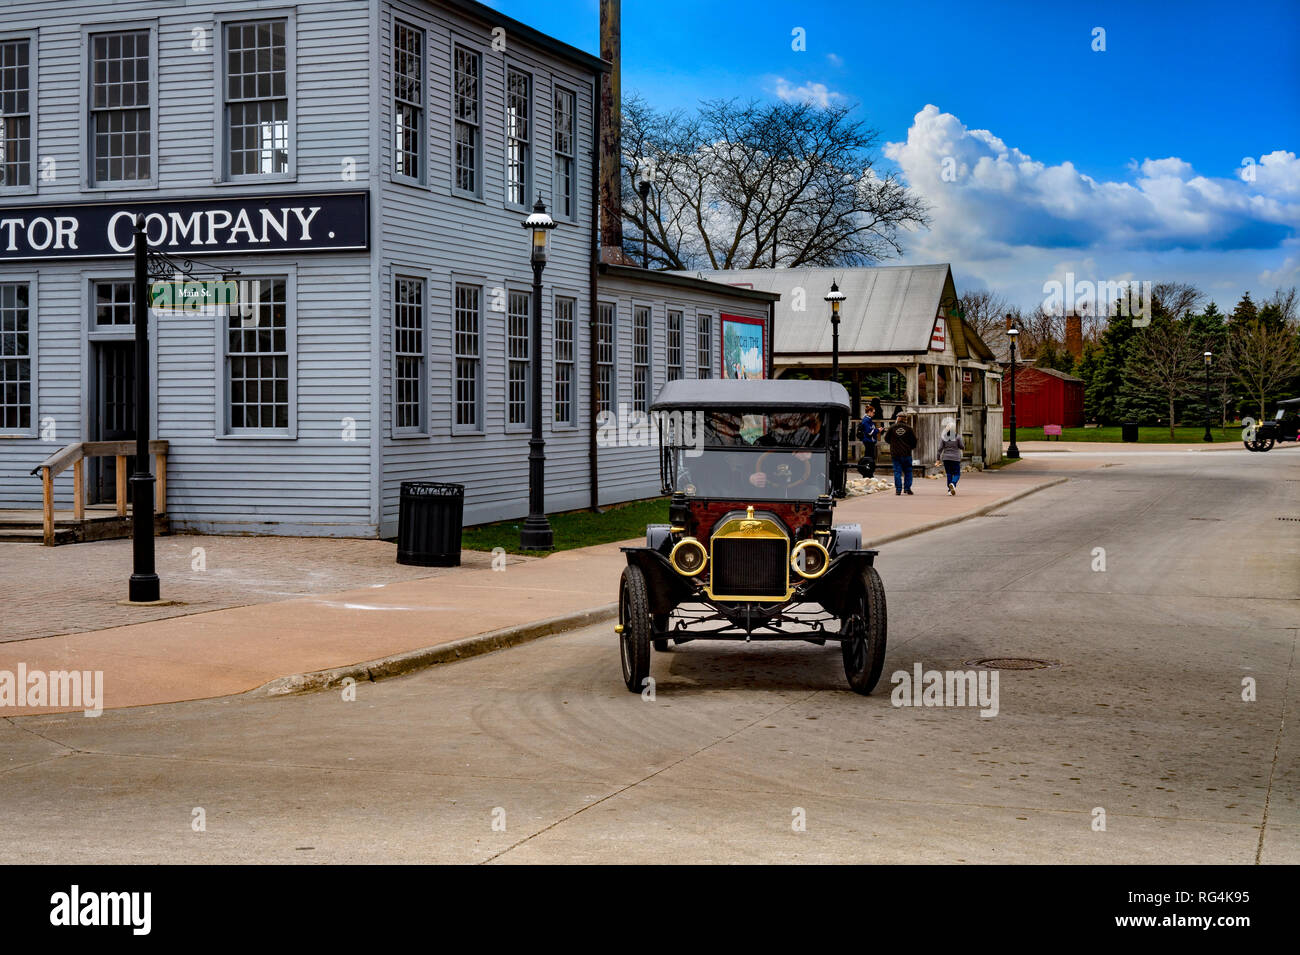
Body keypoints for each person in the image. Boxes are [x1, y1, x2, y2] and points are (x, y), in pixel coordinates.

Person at [886, 414, 917, 495]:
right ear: (905, 419)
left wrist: (893, 444)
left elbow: (886, 439)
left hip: (895, 453)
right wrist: (911, 447)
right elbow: (914, 440)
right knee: (908, 471)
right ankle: (907, 488)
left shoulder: (892, 427)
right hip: (906, 453)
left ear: (898, 418)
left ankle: (898, 489)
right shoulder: (909, 428)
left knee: (897, 472)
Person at [935, 430, 964, 495]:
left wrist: (938, 459)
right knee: (957, 474)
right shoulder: (958, 437)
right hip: (955, 458)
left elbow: (939, 449)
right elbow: (962, 446)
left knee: (949, 473)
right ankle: (953, 483)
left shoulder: (944, 438)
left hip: (946, 458)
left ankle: (949, 490)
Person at [858, 410, 878, 477]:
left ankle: (869, 473)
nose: (874, 414)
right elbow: (869, 432)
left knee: (870, 457)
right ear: (869, 412)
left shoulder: (868, 420)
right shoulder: (866, 420)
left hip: (870, 441)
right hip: (868, 441)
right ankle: (867, 473)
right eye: (873, 412)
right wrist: (878, 430)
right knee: (869, 458)